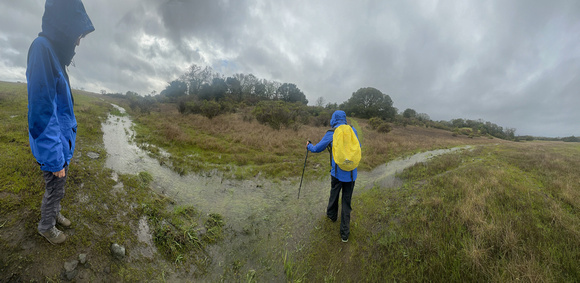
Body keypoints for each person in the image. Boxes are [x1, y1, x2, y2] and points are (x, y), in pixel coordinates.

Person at [26, 0, 94, 244]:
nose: (77, 42)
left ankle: (54, 214)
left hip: (60, 144)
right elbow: (41, 113)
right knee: (54, 188)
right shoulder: (42, 49)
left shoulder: (54, 55)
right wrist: (55, 158)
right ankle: (46, 227)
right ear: (65, 26)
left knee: (59, 189)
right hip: (53, 148)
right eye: (77, 35)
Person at [307, 110, 360, 242]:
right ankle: (344, 235)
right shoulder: (353, 130)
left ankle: (332, 216)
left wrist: (309, 146)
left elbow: (317, 148)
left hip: (337, 174)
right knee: (346, 203)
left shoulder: (331, 133)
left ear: (333, 119)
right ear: (344, 118)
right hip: (352, 174)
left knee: (334, 195)